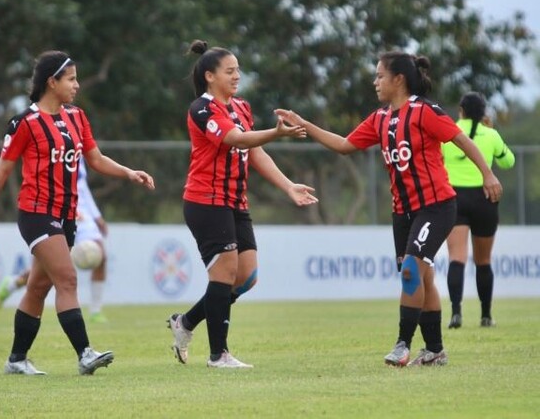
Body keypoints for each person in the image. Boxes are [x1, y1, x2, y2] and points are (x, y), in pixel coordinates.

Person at [275, 52, 502, 367]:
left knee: (411, 271)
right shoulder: (381, 118)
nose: (375, 81)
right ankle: (435, 350)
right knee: (421, 278)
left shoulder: (425, 111)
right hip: (403, 213)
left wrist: (487, 174)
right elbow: (344, 145)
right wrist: (305, 125)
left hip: (436, 206)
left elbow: (462, 140)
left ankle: (402, 345)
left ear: (399, 79)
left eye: (379, 76)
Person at [0, 50, 155, 376]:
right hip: (37, 213)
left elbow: (95, 159)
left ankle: (16, 360)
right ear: (51, 82)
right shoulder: (25, 122)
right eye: (71, 79)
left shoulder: (77, 117)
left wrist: (128, 172)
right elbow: (2, 172)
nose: (77, 85)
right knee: (67, 279)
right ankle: (84, 354)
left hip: (67, 216)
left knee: (38, 289)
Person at [167, 40, 318, 369]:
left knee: (246, 277)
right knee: (225, 272)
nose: (237, 76)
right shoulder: (202, 109)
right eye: (230, 71)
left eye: (238, 70)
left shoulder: (241, 107)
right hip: (206, 200)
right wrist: (275, 133)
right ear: (210, 76)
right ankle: (218, 355)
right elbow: (235, 139)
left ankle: (186, 323)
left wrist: (288, 185)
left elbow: (253, 151)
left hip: (235, 202)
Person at [0, 158, 111, 324]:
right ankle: (13, 283)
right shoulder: (51, 143)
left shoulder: (79, 146)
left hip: (81, 211)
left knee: (101, 256)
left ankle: (96, 311)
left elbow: (82, 186)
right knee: (47, 270)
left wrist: (97, 216)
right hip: (57, 209)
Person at [442, 92, 515, 329]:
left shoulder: (448, 131)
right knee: (483, 261)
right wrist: (492, 137)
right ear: (483, 113)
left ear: (460, 110)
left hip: (454, 199)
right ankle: (485, 315)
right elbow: (508, 162)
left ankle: (455, 313)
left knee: (457, 258)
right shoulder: (491, 134)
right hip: (484, 198)